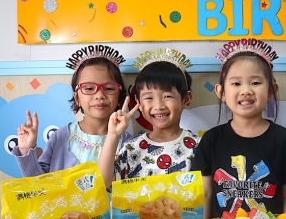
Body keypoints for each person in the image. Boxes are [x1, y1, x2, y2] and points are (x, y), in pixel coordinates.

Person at [191, 39, 286, 219]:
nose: (246, 91)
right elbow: (205, 194)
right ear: (221, 92)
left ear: (271, 91)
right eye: (236, 83)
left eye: (255, 83)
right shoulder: (211, 140)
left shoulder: (284, 139)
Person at [13, 45, 130, 176]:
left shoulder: (129, 143)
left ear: (119, 97)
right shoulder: (61, 137)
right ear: (77, 98)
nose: (99, 95)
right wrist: (26, 150)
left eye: (109, 88)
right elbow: (38, 181)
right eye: (89, 88)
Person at [97, 48, 200, 188]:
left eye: (167, 96)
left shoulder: (199, 146)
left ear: (186, 99)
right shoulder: (132, 147)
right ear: (138, 102)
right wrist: (113, 135)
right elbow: (103, 182)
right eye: (149, 98)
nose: (158, 106)